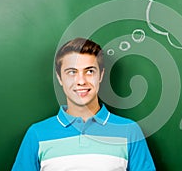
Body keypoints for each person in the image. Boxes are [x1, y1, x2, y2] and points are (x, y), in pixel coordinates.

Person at [12, 37, 156, 171]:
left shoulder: (130, 131)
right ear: (60, 78)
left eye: (89, 71)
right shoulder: (37, 134)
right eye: (71, 72)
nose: (81, 81)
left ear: (101, 75)